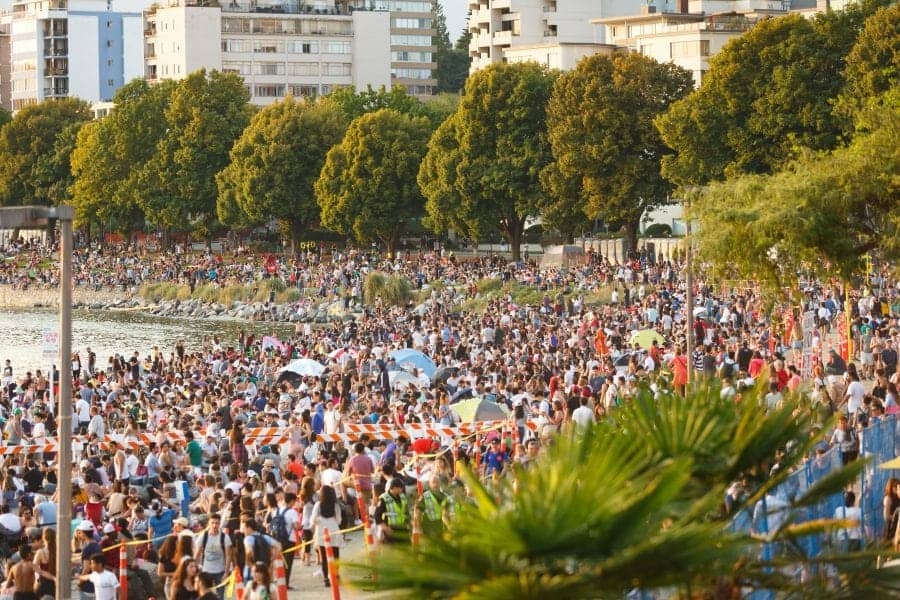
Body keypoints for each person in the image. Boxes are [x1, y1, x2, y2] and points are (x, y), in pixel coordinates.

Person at [194, 513, 232, 599]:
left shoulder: (225, 537)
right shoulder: (203, 536)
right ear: (209, 523)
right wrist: (195, 570)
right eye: (213, 523)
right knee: (204, 595)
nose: (215, 525)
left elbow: (228, 555)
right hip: (206, 571)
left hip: (220, 571)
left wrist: (226, 572)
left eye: (217, 523)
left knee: (220, 596)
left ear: (219, 524)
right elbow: (197, 554)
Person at [311, 484, 342, 588]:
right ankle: (336, 575)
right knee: (335, 554)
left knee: (324, 557)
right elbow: (339, 520)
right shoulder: (336, 505)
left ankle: (326, 579)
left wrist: (320, 521)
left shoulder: (318, 505)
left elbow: (313, 519)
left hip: (321, 531)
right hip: (333, 529)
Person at [374, 478, 409, 545]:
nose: (402, 490)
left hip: (403, 527)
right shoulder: (384, 498)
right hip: (391, 528)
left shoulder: (402, 496)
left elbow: (405, 511)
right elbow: (377, 515)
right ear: (394, 488)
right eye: (400, 488)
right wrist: (385, 528)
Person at [33, 526, 56, 598]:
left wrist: (52, 577)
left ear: (43, 538)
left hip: (43, 585)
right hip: (56, 585)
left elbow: (35, 569)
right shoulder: (58, 551)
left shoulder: (40, 552)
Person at [883, 477, 900, 543]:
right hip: (891, 528)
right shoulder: (888, 498)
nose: (897, 489)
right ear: (891, 487)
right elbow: (886, 516)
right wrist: (896, 517)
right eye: (895, 487)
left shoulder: (897, 498)